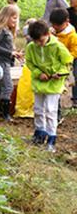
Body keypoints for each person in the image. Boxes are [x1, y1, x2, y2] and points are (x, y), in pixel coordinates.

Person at [25, 20, 73, 152]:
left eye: (41, 40)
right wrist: (38, 73)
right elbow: (29, 62)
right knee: (38, 109)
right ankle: (39, 134)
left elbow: (68, 62)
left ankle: (51, 138)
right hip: (39, 82)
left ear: (47, 34)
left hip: (53, 83)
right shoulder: (31, 47)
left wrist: (60, 74)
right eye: (36, 41)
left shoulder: (58, 46)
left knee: (50, 111)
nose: (38, 44)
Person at [0, 5, 23, 121]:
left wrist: (14, 53)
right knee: (8, 87)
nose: (16, 20)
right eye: (13, 17)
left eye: (16, 18)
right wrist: (10, 53)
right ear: (5, 17)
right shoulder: (1, 30)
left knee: (0, 86)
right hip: (1, 61)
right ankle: (5, 114)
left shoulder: (7, 30)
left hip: (5, 61)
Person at [48, 8, 77, 109]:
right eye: (53, 24)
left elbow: (74, 51)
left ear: (66, 22)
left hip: (67, 62)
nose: (55, 27)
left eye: (58, 25)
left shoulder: (72, 36)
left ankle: (74, 100)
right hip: (54, 61)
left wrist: (66, 60)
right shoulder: (51, 32)